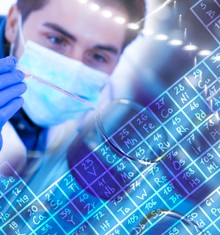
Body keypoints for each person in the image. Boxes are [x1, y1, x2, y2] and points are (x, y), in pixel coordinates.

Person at [0, 0, 146, 171]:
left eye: (98, 56)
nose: (74, 69)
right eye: (56, 39)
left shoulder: (109, 103)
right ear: (13, 24)